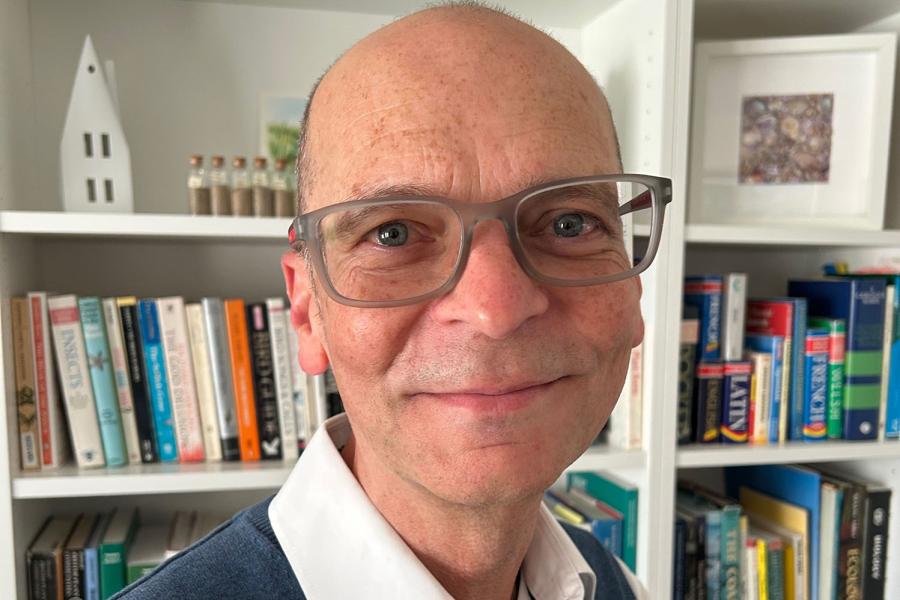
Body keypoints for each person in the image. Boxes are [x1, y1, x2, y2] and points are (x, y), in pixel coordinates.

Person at [114, 3, 672, 599]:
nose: (496, 310)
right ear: (306, 310)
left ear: (633, 286)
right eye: (393, 235)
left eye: (567, 224)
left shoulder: (613, 583)